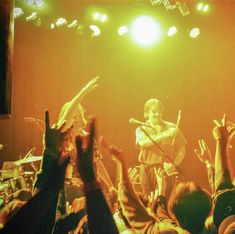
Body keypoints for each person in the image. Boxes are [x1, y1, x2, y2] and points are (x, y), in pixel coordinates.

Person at [135, 98, 187, 195]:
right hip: (147, 171)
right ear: (146, 113)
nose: (157, 114)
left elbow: (182, 150)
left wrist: (174, 164)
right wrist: (165, 134)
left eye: (159, 112)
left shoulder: (172, 127)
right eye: (154, 112)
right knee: (148, 201)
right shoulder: (141, 128)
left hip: (166, 170)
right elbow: (143, 142)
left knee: (166, 199)